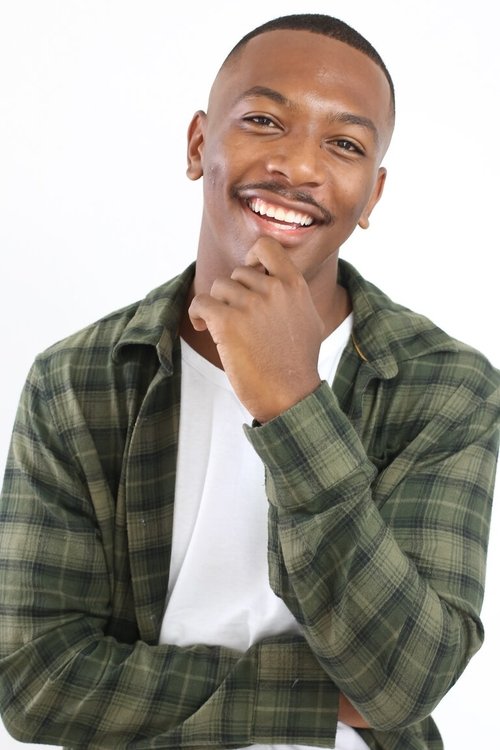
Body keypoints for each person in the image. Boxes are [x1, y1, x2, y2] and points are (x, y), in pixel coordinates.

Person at [0, 12, 498, 750]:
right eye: (264, 121)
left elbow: (404, 682)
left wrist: (293, 401)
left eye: (345, 144)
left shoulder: (445, 386)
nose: (298, 167)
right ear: (199, 144)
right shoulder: (75, 381)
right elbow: (35, 683)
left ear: (373, 196)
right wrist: (312, 696)